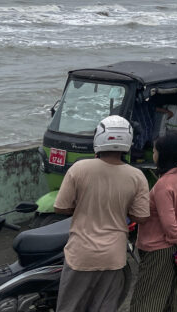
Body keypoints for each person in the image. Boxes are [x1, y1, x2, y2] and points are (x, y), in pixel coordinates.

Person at [54, 116, 151, 312]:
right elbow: (141, 217)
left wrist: (82, 207)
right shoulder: (136, 176)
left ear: (98, 138)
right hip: (113, 257)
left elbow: (60, 207)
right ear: (128, 142)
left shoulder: (79, 168)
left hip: (81, 254)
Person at [130, 132, 177, 312]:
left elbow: (169, 224)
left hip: (159, 250)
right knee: (174, 298)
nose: (153, 155)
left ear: (164, 156)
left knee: (147, 302)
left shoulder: (164, 185)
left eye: (155, 152)